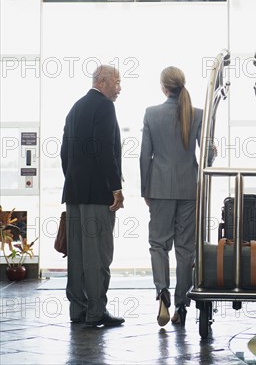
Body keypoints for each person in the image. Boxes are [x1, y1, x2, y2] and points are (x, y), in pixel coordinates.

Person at [140, 66, 211, 327]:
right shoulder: (197, 115)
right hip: (188, 190)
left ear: (163, 88)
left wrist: (144, 189)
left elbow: (144, 155)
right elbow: (208, 157)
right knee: (185, 249)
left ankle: (162, 292)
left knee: (158, 244)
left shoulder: (151, 114)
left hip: (159, 189)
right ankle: (181, 305)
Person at [61, 64, 125, 327]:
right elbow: (105, 151)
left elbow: (64, 152)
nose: (120, 88)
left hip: (74, 193)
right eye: (117, 82)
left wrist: (73, 180)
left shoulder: (75, 107)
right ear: (102, 81)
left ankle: (78, 310)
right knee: (98, 255)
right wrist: (116, 188)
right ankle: (96, 312)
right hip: (99, 195)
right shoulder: (105, 107)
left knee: (77, 255)